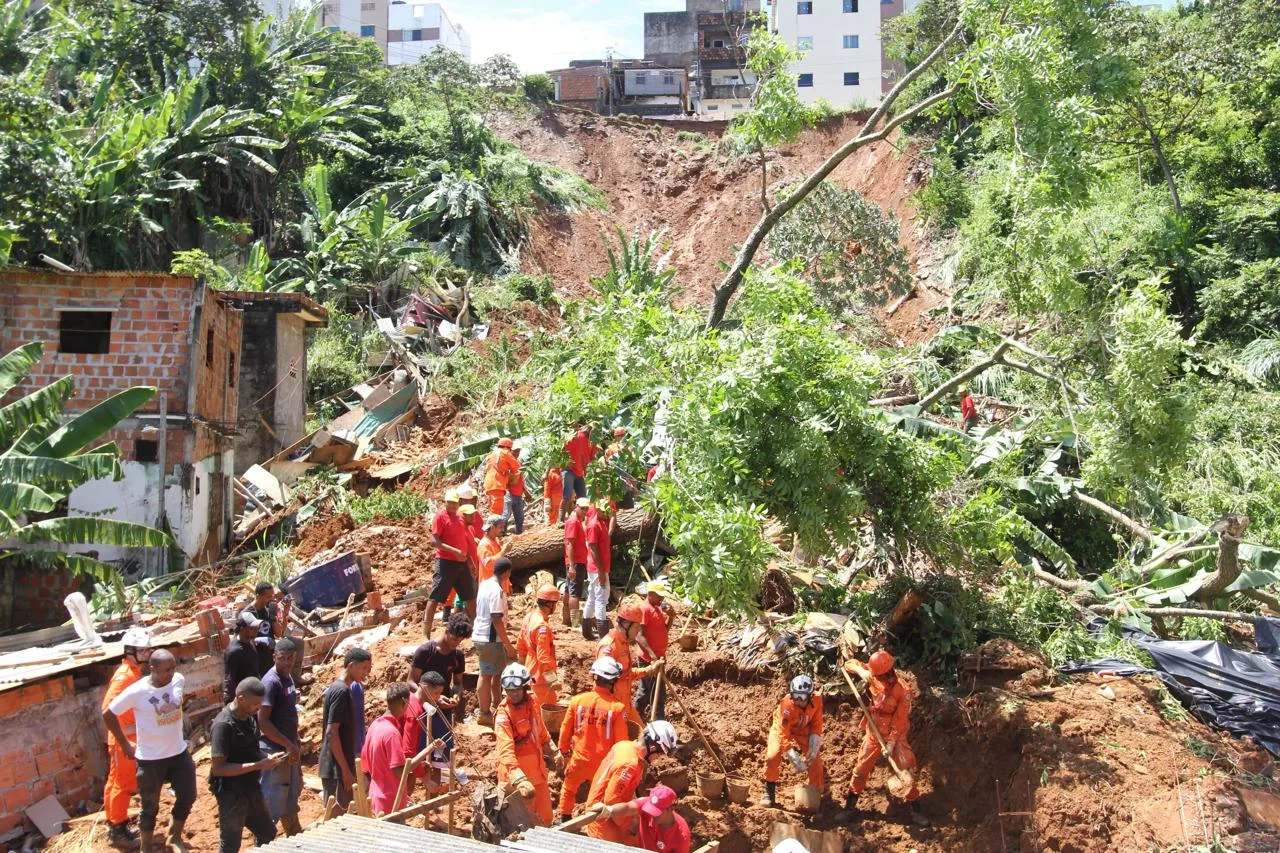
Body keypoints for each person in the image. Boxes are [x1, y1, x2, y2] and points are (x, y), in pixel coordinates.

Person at [103, 649, 195, 853]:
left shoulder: (177, 679)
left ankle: (175, 836)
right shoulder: (137, 691)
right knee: (149, 807)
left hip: (178, 753)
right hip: (151, 759)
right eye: (165, 670)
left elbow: (177, 692)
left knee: (188, 795)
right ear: (152, 669)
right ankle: (146, 847)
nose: (171, 673)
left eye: (172, 668)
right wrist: (125, 744)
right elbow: (108, 713)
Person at [840, 650, 922, 820]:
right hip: (874, 732)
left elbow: (900, 722)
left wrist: (891, 743)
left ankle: (917, 810)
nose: (878, 679)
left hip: (895, 735)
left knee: (904, 769)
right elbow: (848, 664)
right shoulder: (873, 674)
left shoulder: (902, 691)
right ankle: (849, 807)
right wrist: (862, 671)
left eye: (881, 676)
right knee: (861, 768)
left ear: (888, 672)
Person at [210, 677, 284, 853]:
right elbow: (218, 769)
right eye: (255, 704)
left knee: (267, 833)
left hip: (251, 788)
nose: (258, 708)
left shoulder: (249, 718)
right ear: (241, 698)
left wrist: (267, 758)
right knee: (230, 845)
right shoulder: (223, 725)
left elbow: (251, 749)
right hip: (232, 794)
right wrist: (258, 765)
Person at [558, 656, 628, 822]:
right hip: (603, 765)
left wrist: (563, 751)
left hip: (578, 759)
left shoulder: (577, 701)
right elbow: (621, 743)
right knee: (600, 798)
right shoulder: (617, 708)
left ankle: (564, 818)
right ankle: (596, 824)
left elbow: (565, 730)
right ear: (613, 682)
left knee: (568, 789)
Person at [585, 720, 678, 844]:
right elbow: (612, 802)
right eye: (660, 753)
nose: (657, 758)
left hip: (603, 813)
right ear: (653, 747)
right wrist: (632, 825)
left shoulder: (624, 745)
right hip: (606, 825)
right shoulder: (629, 765)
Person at [102, 627, 152, 850]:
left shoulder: (132, 672)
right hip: (125, 742)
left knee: (116, 783)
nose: (146, 653)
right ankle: (118, 830)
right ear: (130, 650)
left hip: (126, 740)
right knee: (123, 784)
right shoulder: (125, 676)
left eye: (146, 650)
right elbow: (108, 709)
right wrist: (125, 741)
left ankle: (114, 823)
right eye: (141, 650)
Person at [494, 663, 561, 827]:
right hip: (517, 779)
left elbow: (540, 730)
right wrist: (519, 778)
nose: (513, 694)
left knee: (545, 817)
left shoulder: (533, 701)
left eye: (516, 690)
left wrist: (553, 750)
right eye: (509, 690)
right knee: (520, 823)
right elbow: (505, 749)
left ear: (525, 687)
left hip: (538, 773)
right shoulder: (504, 715)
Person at [258, 638, 303, 836]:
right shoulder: (271, 682)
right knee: (273, 798)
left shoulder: (288, 677)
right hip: (274, 750)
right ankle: (264, 841)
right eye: (282, 658)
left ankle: (293, 835)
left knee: (291, 793)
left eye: (291, 658)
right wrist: (287, 745)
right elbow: (263, 722)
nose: (287, 662)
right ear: (274, 656)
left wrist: (294, 742)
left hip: (289, 745)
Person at [319, 647, 372, 811]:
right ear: (351, 666)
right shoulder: (341, 691)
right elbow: (332, 732)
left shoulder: (342, 689)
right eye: (363, 668)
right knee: (336, 818)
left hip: (338, 767)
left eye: (368, 669)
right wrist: (345, 771)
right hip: (336, 769)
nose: (366, 673)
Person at [761, 675, 824, 807]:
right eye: (796, 696)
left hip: (803, 728)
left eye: (803, 697)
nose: (799, 700)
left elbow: (817, 723)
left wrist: (814, 746)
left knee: (816, 761)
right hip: (783, 728)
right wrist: (794, 759)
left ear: (811, 696)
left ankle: (814, 795)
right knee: (773, 756)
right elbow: (783, 735)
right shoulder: (787, 705)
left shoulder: (817, 700)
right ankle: (769, 791)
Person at [596, 600, 661, 727]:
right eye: (636, 627)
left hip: (625, 703)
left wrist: (649, 670)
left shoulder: (623, 643)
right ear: (626, 624)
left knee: (642, 737)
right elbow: (603, 681)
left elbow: (626, 673)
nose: (638, 632)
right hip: (613, 706)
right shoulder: (609, 646)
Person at [424, 490, 479, 638]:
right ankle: (426, 631)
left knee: (470, 596)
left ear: (458, 503)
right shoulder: (440, 517)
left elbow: (464, 544)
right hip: (445, 562)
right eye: (450, 503)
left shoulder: (460, 518)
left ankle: (477, 628)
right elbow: (434, 541)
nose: (452, 506)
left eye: (455, 503)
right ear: (445, 502)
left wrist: (470, 563)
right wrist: (454, 551)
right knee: (436, 596)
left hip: (461, 563)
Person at [472, 557, 518, 726]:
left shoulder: (484, 584)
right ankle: (484, 713)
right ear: (507, 572)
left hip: (482, 635)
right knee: (486, 674)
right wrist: (508, 644)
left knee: (496, 672)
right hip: (489, 638)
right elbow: (496, 619)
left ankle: (495, 705)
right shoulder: (496, 590)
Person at [592, 784, 691, 853]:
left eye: (656, 812)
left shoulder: (681, 836)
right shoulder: (648, 804)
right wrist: (609, 810)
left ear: (670, 809)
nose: (651, 814)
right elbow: (627, 808)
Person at [361, 683, 411, 816]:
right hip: (391, 803)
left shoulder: (374, 726)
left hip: (375, 797)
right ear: (404, 703)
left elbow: (366, 765)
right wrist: (414, 767)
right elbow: (399, 771)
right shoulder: (392, 733)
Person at [409, 611, 470, 715]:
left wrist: (456, 695)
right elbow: (411, 683)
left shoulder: (458, 656)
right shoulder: (425, 651)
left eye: (460, 641)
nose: (457, 644)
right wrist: (434, 697)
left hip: (444, 708)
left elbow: (458, 683)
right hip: (423, 708)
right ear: (446, 632)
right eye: (454, 639)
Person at [402, 671, 453, 797]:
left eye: (440, 694)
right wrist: (425, 778)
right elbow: (408, 752)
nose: (438, 698)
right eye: (436, 693)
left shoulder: (410, 699)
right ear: (424, 688)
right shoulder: (415, 712)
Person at [517, 585, 563, 710]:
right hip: (541, 679)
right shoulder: (542, 627)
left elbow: (521, 646)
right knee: (543, 715)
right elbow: (543, 657)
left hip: (530, 670)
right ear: (550, 604)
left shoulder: (529, 617)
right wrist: (552, 680)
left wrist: (521, 671)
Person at [635, 579, 675, 721]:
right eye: (659, 596)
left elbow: (664, 630)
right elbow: (639, 636)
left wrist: (671, 616)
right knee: (657, 693)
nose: (662, 599)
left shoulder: (657, 608)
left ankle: (635, 716)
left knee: (646, 691)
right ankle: (658, 722)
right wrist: (653, 657)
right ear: (650, 594)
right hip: (649, 659)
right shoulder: (645, 609)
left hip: (658, 657)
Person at [583, 501, 613, 641]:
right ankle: (604, 635)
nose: (606, 513)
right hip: (597, 569)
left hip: (598, 568)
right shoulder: (594, 525)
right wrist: (601, 571)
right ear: (598, 510)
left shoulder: (601, 523)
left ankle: (587, 632)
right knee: (601, 599)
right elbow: (593, 548)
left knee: (593, 598)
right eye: (604, 510)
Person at [240, 582, 285, 676]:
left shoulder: (268, 610)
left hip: (270, 653)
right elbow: (242, 640)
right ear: (258, 596)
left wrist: (273, 617)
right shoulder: (248, 614)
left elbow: (279, 634)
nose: (272, 599)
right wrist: (259, 640)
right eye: (268, 596)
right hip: (256, 656)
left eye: (272, 596)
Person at [223, 612, 264, 704]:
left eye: (256, 627)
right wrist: (229, 703)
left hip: (254, 693)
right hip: (245, 699)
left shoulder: (250, 642)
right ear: (242, 629)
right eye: (252, 628)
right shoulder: (234, 651)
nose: (256, 630)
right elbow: (230, 680)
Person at [564, 498, 590, 632]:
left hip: (575, 561)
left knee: (569, 590)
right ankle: (575, 624)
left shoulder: (576, 521)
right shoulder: (574, 522)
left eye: (587, 509)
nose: (585, 511)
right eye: (583, 508)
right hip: (576, 562)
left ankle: (566, 619)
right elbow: (570, 544)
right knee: (575, 592)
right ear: (576, 507)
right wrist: (572, 565)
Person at [560, 424, 596, 520]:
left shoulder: (584, 440)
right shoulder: (568, 438)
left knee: (583, 498)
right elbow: (559, 454)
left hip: (579, 472)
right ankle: (561, 520)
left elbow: (585, 455)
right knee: (567, 496)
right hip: (569, 470)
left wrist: (585, 469)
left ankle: (581, 519)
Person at [484, 437, 520, 516]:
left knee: (492, 508)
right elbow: (516, 467)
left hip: (489, 484)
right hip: (497, 483)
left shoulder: (492, 454)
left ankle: (494, 526)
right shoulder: (505, 452)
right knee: (497, 511)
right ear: (509, 446)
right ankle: (495, 527)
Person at [478, 514, 511, 594]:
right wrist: (503, 552)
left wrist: (508, 584)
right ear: (492, 527)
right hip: (490, 589)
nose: (503, 530)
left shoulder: (495, 540)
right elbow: (488, 564)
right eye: (500, 527)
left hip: (499, 587)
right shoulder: (484, 544)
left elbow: (502, 564)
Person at [504, 441, 527, 534]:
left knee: (520, 517)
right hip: (508, 493)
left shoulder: (519, 462)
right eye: (515, 451)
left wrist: (526, 491)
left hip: (518, 494)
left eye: (518, 451)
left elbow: (521, 479)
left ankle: (518, 535)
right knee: (505, 516)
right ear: (510, 451)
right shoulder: (506, 463)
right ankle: (502, 535)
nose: (517, 453)